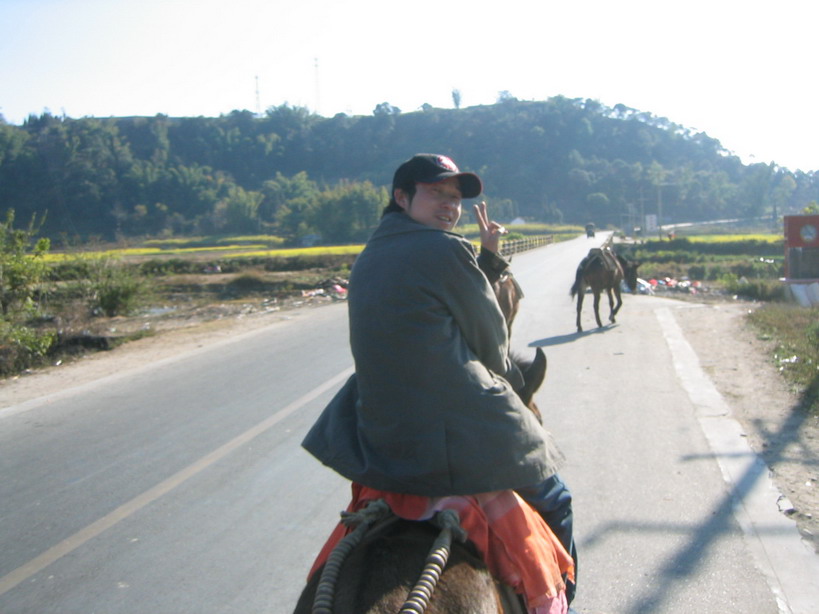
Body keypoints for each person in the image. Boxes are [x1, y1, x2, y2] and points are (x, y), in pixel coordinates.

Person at [302, 153, 577, 606]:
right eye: (436, 194)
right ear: (402, 196)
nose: (449, 206)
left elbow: (432, 303)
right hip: (455, 434)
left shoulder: (370, 254)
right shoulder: (445, 248)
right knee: (556, 498)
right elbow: (491, 343)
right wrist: (512, 386)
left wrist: (486, 258)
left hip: (383, 441)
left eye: (455, 198)